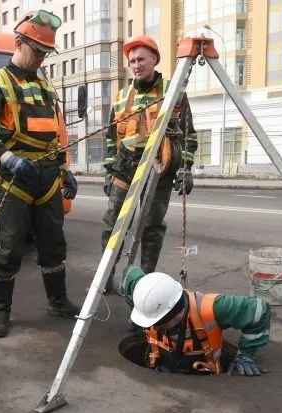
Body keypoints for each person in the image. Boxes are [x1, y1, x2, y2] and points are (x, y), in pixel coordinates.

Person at [0, 10, 80, 338]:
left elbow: (54, 135)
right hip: (14, 179)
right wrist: (7, 157)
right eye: (38, 51)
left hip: (47, 179)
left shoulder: (45, 86)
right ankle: (1, 312)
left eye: (46, 53)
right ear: (18, 43)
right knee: (8, 248)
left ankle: (58, 301)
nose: (41, 58)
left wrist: (64, 170)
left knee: (53, 244)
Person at [101, 35, 198, 295]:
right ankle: (105, 277)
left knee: (152, 225)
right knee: (113, 224)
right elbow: (112, 138)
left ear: (155, 59)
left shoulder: (173, 91)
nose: (136, 64)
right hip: (125, 167)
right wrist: (109, 172)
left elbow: (189, 134)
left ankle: (142, 280)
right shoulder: (121, 97)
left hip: (159, 168)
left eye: (141, 59)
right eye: (132, 60)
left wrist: (186, 169)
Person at [121, 266, 271, 376]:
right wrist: (140, 313)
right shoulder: (149, 294)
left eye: (159, 322)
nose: (154, 326)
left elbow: (258, 309)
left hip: (204, 375)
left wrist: (246, 354)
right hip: (160, 367)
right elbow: (130, 272)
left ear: (177, 312)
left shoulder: (212, 308)